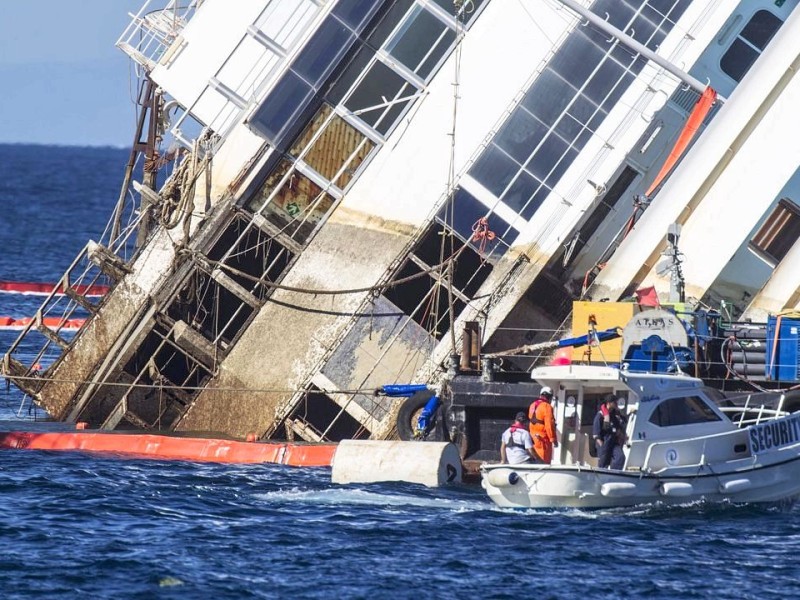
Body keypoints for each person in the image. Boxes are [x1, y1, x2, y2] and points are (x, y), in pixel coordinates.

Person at [593, 394, 628, 470]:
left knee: (620, 457)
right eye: (615, 402)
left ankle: (615, 473)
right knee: (603, 464)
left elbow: (617, 428)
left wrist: (623, 437)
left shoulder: (614, 416)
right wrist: (602, 445)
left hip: (613, 443)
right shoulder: (600, 416)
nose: (616, 404)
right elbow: (596, 434)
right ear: (609, 403)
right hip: (604, 443)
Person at [528, 386, 558, 464]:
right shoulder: (547, 407)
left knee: (535, 459)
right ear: (550, 397)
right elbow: (549, 425)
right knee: (544, 461)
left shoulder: (532, 405)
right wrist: (553, 439)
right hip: (543, 440)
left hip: (532, 438)